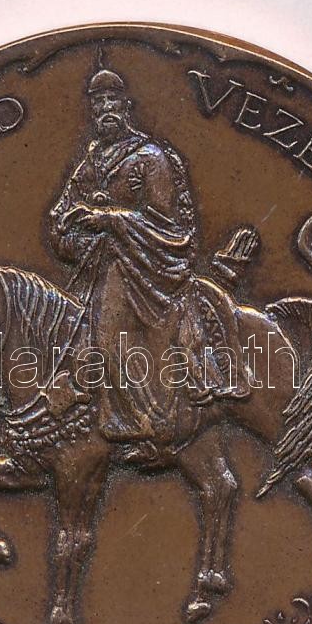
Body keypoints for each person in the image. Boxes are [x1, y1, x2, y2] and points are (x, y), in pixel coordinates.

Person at [49, 64, 244, 460]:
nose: (106, 108)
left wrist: (110, 219)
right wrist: (65, 224)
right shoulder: (91, 162)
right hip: (98, 264)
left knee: (111, 333)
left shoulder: (150, 158)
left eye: (112, 100)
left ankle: (147, 425)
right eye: (98, 102)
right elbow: (65, 208)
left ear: (126, 106)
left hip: (146, 269)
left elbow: (168, 226)